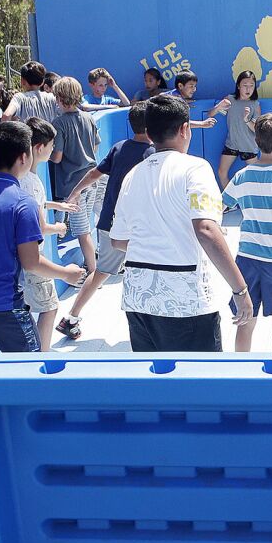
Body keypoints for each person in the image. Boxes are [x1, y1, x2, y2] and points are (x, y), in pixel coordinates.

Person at [109, 94, 253, 351]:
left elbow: (118, 240)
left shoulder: (133, 174)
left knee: (155, 382)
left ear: (150, 133)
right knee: (200, 384)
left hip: (138, 300)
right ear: (185, 129)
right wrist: (240, 291)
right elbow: (206, 230)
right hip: (185, 301)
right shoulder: (195, 168)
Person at [0, 121, 86, 353]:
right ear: (23, 157)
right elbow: (31, 262)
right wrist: (66, 273)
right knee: (29, 367)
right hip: (3, 306)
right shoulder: (23, 203)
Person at [57, 103, 156, 341]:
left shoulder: (120, 147)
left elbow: (94, 174)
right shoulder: (153, 155)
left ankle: (70, 317)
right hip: (136, 226)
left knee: (102, 271)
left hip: (109, 222)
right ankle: (150, 326)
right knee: (149, 271)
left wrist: (75, 192)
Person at [222, 113, 272, 352]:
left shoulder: (241, 176)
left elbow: (220, 207)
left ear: (256, 142)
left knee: (245, 320)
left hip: (245, 260)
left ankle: (243, 372)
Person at [21, 118, 73, 350]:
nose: (53, 149)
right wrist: (59, 228)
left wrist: (54, 206)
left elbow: (35, 205)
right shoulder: (31, 182)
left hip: (20, 259)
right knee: (49, 306)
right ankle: (41, 354)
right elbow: (39, 227)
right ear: (39, 148)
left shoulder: (23, 177)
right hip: (33, 257)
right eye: (51, 145)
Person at [50, 76, 102, 275]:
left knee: (81, 231)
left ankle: (93, 270)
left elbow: (57, 157)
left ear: (60, 98)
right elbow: (96, 146)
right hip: (91, 179)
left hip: (73, 186)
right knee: (86, 224)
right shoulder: (89, 118)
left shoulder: (59, 123)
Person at [216, 71, 260, 190]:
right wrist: (218, 107)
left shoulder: (255, 104)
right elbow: (211, 114)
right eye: (245, 85)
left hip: (249, 146)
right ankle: (230, 203)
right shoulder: (230, 100)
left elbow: (256, 129)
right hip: (232, 144)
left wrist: (246, 120)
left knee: (257, 177)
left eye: (251, 85)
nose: (248, 89)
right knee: (221, 172)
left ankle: (259, 204)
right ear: (238, 86)